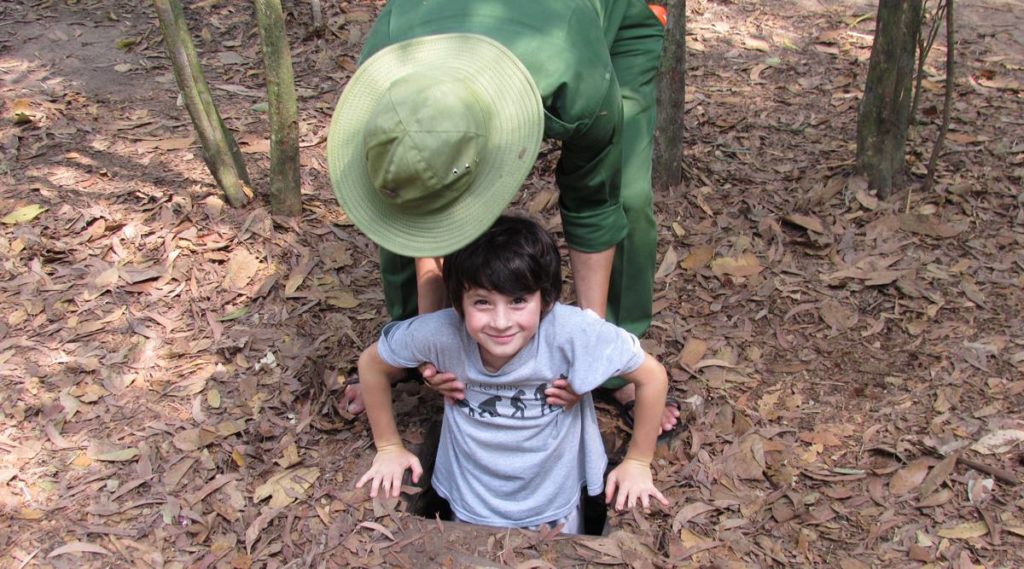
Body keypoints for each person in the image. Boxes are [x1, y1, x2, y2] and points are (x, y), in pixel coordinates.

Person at [327, 0, 680, 434]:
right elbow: (418, 206)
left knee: (626, 198)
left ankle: (617, 367)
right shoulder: (386, 66)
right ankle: (402, 346)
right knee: (400, 183)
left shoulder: (577, 81)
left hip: (610, 16)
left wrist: (591, 349)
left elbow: (594, 205)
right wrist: (430, 345)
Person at [355, 216, 670, 533]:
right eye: (482, 302)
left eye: (518, 301)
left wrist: (638, 462)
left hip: (555, 503)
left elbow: (652, 376)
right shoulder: (442, 332)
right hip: (468, 500)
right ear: (457, 303)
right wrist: (388, 447)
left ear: (545, 299)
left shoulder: (571, 332)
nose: (501, 322)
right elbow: (372, 364)